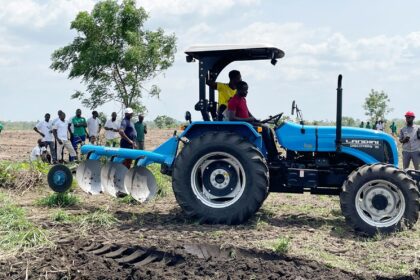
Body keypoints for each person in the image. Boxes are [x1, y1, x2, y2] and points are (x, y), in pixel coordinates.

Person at [227, 81, 278, 160]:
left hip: (249, 123)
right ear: (238, 90)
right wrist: (248, 119)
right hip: (243, 126)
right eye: (245, 90)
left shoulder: (243, 99)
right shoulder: (233, 101)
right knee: (265, 129)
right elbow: (231, 118)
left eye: (247, 90)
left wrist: (255, 119)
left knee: (269, 129)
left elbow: (248, 112)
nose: (246, 92)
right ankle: (272, 156)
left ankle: (274, 154)